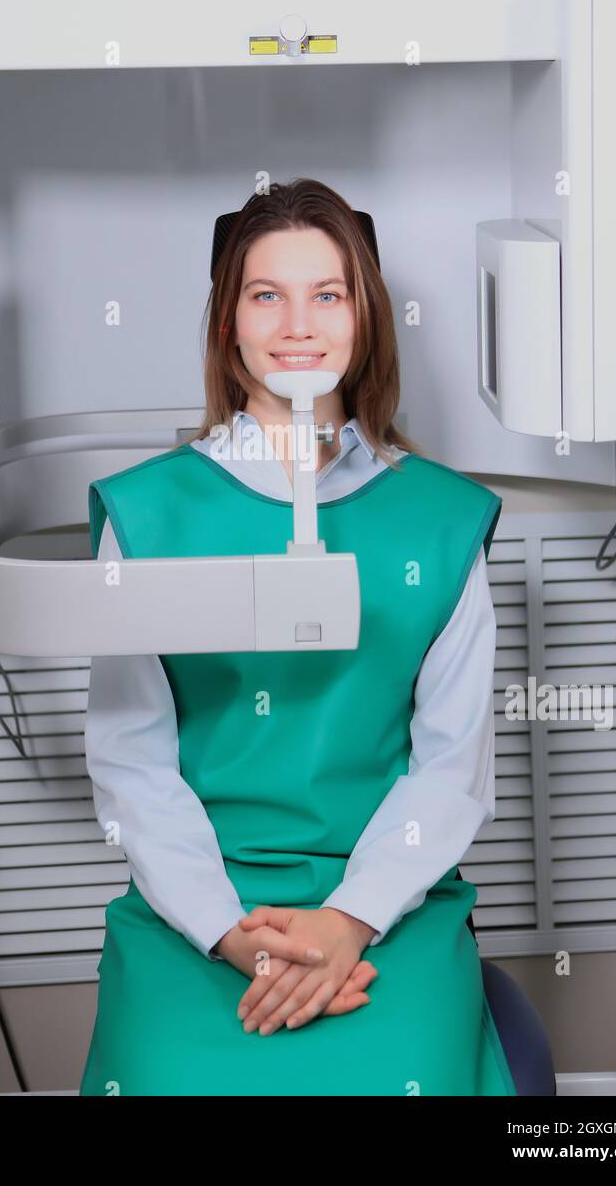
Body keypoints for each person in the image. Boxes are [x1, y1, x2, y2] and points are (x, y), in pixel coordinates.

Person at [79, 178, 516, 1096]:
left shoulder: (438, 521)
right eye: (265, 294)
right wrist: (231, 933)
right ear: (228, 323)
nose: (297, 324)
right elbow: (133, 765)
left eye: (328, 294)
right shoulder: (150, 515)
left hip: (387, 900)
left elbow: (450, 768)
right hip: (196, 903)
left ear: (365, 318)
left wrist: (347, 921)